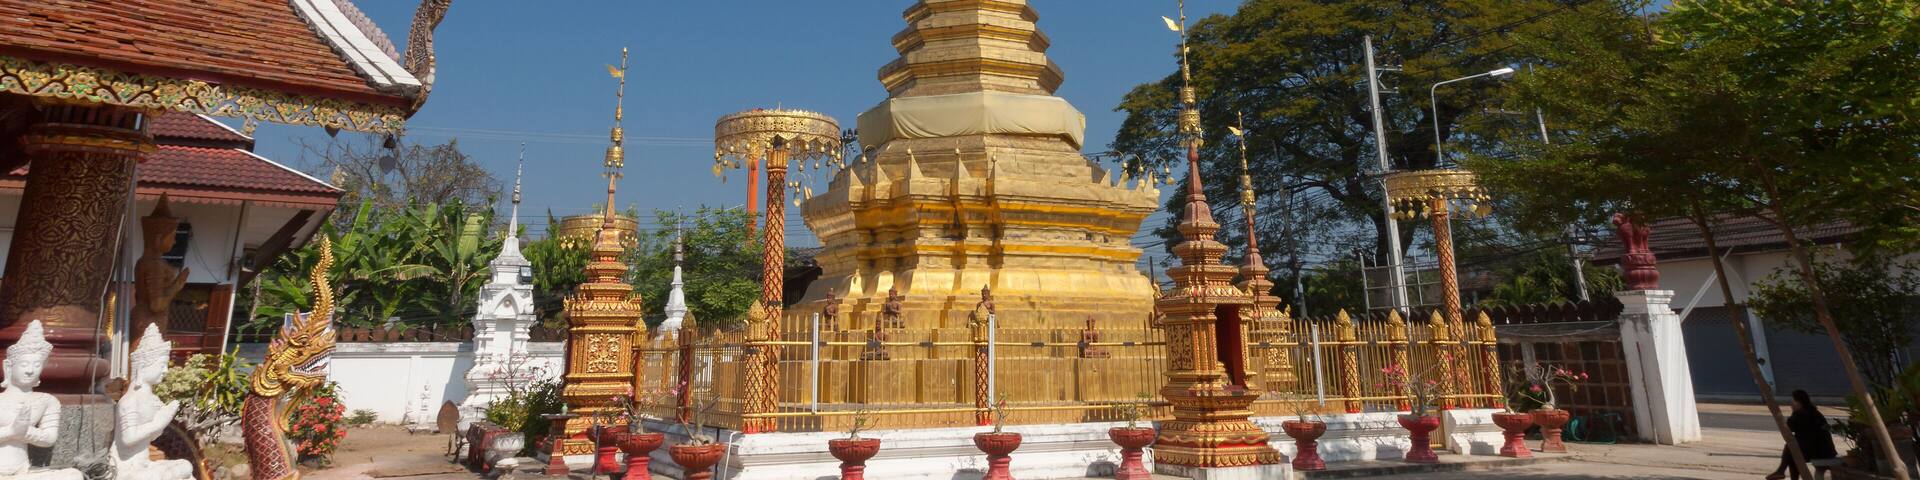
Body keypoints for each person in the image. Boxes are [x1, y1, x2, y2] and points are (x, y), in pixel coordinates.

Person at [1768, 390, 1839, 480]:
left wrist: (1794, 412)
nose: (1792, 404)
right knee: (1793, 450)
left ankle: (1781, 470)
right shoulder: (1812, 412)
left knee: (1792, 449)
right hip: (1823, 449)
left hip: (1820, 451)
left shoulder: (1803, 414)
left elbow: (1790, 427)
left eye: (1793, 401)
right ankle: (1781, 471)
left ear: (1799, 402)